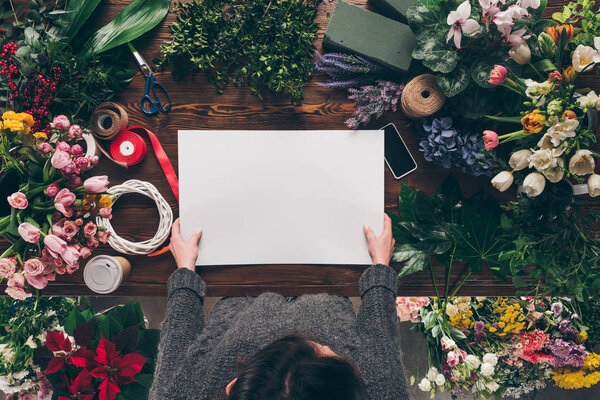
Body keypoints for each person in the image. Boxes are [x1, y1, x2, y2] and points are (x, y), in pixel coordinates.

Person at [149, 215, 408, 400]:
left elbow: (178, 340)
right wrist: (380, 268)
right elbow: (380, 335)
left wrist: (185, 270)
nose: (324, 345)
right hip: (328, 290)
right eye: (329, 354)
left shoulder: (176, 395)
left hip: (240, 292)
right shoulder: (383, 392)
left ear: (233, 386)